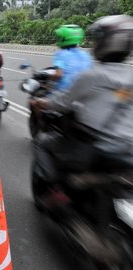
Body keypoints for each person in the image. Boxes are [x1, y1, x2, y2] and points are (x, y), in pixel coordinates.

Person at [30, 15, 133, 196]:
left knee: (44, 142)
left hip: (92, 140)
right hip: (127, 146)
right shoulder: (88, 59)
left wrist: (41, 101)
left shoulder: (91, 74)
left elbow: (61, 97)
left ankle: (56, 191)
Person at [52, 25, 93, 93]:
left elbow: (58, 75)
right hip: (84, 91)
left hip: (64, 92)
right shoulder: (85, 54)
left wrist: (50, 82)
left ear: (62, 38)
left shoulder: (61, 54)